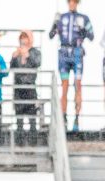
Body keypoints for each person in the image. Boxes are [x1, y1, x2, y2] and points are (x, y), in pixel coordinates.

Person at [50, 0, 94, 132]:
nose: (72, 4)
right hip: (64, 53)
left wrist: (83, 29)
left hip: (77, 52)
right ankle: (63, 118)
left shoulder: (84, 18)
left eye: (74, 2)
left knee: (78, 85)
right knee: (64, 86)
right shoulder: (62, 17)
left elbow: (91, 36)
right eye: (70, 2)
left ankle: (76, 118)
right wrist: (54, 23)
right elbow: (51, 35)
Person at [10, 31, 41, 146]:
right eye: (22, 38)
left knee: (32, 119)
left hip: (30, 88)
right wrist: (14, 57)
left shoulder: (35, 52)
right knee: (19, 119)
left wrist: (27, 55)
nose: (24, 40)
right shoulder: (17, 52)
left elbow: (37, 63)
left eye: (26, 37)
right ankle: (19, 144)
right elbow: (11, 68)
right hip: (18, 90)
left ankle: (33, 144)